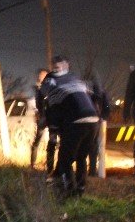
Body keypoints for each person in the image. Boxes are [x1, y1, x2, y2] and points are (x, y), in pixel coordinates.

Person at [41, 55, 100, 196]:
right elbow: (94, 95)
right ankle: (80, 190)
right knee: (81, 157)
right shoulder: (76, 80)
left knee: (65, 160)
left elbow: (52, 109)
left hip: (76, 121)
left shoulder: (51, 84)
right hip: (93, 120)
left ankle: (69, 192)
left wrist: (52, 128)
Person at [83, 67, 110, 176]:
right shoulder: (100, 90)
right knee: (93, 145)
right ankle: (92, 171)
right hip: (96, 119)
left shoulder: (85, 90)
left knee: (87, 145)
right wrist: (104, 116)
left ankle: (89, 170)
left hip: (88, 119)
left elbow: (106, 105)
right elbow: (107, 105)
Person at [30, 69, 59, 172]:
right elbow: (37, 103)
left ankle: (50, 167)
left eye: (44, 75)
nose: (42, 77)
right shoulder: (38, 89)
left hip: (52, 118)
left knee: (52, 141)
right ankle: (32, 164)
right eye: (41, 75)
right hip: (43, 118)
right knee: (38, 140)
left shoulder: (52, 88)